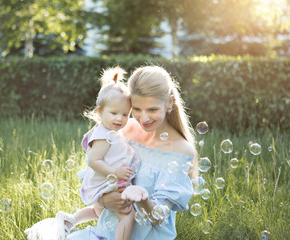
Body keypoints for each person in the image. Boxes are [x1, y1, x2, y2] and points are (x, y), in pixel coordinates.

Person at [66, 65, 198, 240]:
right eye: (136, 109)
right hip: (107, 231)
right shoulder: (123, 130)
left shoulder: (180, 150)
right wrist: (105, 200)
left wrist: (141, 198)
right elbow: (96, 177)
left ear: (169, 103)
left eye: (152, 109)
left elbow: (158, 218)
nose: (143, 118)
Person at [24, 67, 146, 240]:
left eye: (125, 114)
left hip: (105, 180)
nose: (120, 118)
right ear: (100, 112)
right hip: (106, 181)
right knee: (127, 215)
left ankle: (70, 220)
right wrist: (116, 172)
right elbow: (94, 161)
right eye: (114, 113)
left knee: (98, 211)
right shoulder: (104, 137)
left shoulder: (109, 130)